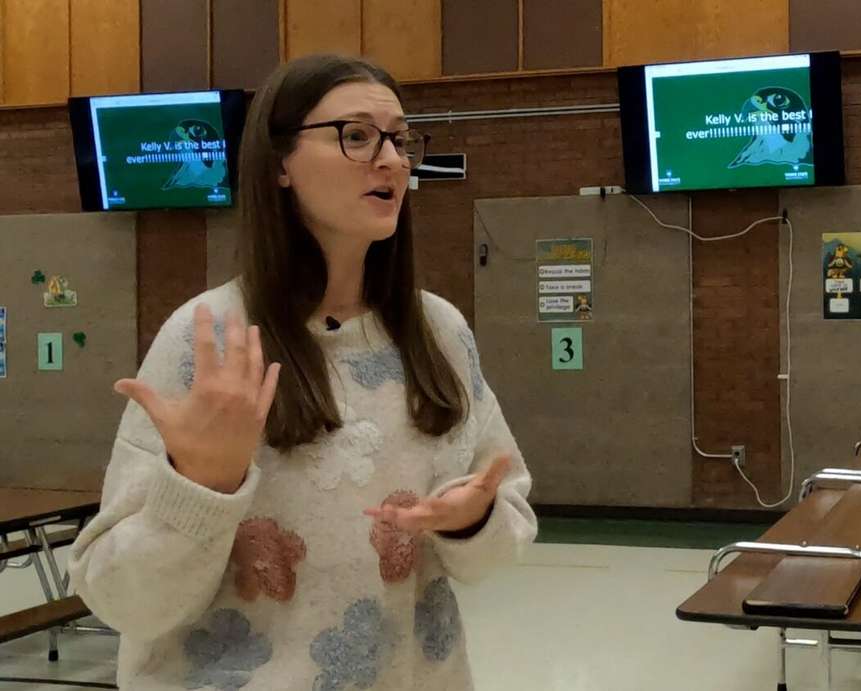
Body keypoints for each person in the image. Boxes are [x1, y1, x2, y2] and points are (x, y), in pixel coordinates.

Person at [68, 54, 536, 690]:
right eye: (357, 135)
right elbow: (123, 601)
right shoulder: (211, 337)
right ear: (279, 163)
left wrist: (471, 522)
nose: (392, 160)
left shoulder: (440, 333)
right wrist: (201, 486)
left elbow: (502, 539)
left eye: (400, 139)